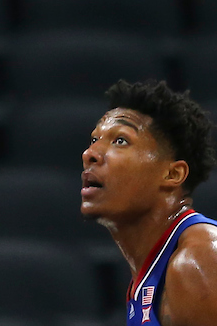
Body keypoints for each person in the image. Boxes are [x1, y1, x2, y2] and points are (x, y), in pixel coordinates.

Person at [83, 80, 217, 326]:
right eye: (94, 140)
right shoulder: (148, 277)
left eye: (120, 141)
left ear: (172, 174)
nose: (89, 153)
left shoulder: (197, 261)